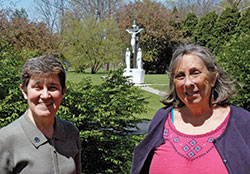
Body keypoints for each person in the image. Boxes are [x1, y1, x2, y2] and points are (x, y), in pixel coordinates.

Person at [131, 44, 250, 174]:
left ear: (213, 77)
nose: (188, 83)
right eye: (180, 76)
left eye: (195, 73)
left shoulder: (242, 122)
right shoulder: (161, 119)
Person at [0, 55, 81, 173]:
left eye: (52, 87)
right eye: (37, 87)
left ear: (63, 91)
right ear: (24, 91)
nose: (45, 95)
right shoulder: (5, 140)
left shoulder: (71, 133)